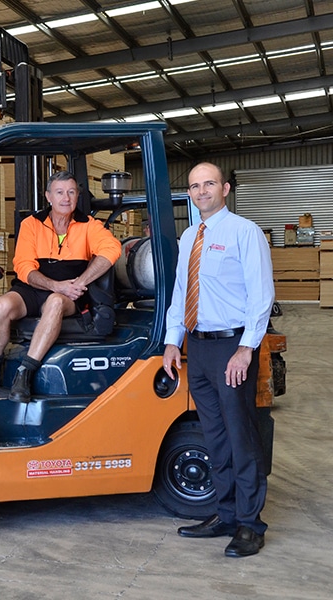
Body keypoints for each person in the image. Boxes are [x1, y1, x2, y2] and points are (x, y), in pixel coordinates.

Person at [163, 162, 274, 558]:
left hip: (232, 348)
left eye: (209, 183)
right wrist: (173, 341)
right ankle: (225, 514)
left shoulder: (245, 232)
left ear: (224, 188)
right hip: (198, 346)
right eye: (194, 186)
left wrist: (247, 349)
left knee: (241, 436)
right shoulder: (189, 236)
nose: (202, 191)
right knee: (215, 438)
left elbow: (262, 294)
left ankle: (249, 524)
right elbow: (180, 292)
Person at [0, 170, 121, 402]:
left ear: (77, 196)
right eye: (59, 193)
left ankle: (25, 372)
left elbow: (112, 249)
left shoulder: (89, 226)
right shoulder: (32, 224)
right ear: (48, 196)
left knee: (55, 302)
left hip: (69, 294)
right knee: (1, 306)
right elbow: (24, 266)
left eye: (71, 192)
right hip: (35, 288)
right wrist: (54, 284)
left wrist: (78, 283)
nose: (65, 198)